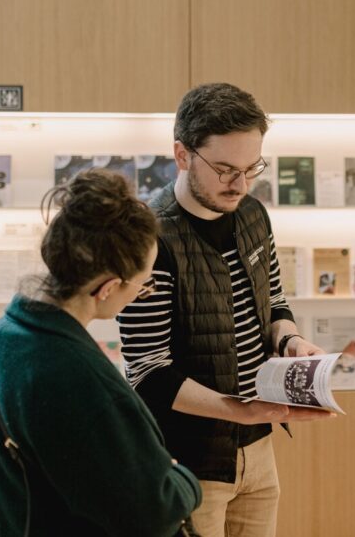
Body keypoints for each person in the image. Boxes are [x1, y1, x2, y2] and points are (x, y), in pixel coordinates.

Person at [118, 83, 334, 537]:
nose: (240, 184)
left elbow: (273, 301)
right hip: (187, 463)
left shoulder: (254, 214)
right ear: (182, 155)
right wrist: (237, 410)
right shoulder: (149, 239)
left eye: (251, 167)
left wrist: (289, 339)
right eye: (224, 169)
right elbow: (146, 372)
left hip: (258, 452)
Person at [0, 169, 201, 537]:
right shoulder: (72, 374)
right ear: (107, 287)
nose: (142, 292)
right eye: (143, 283)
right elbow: (154, 510)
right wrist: (183, 478)